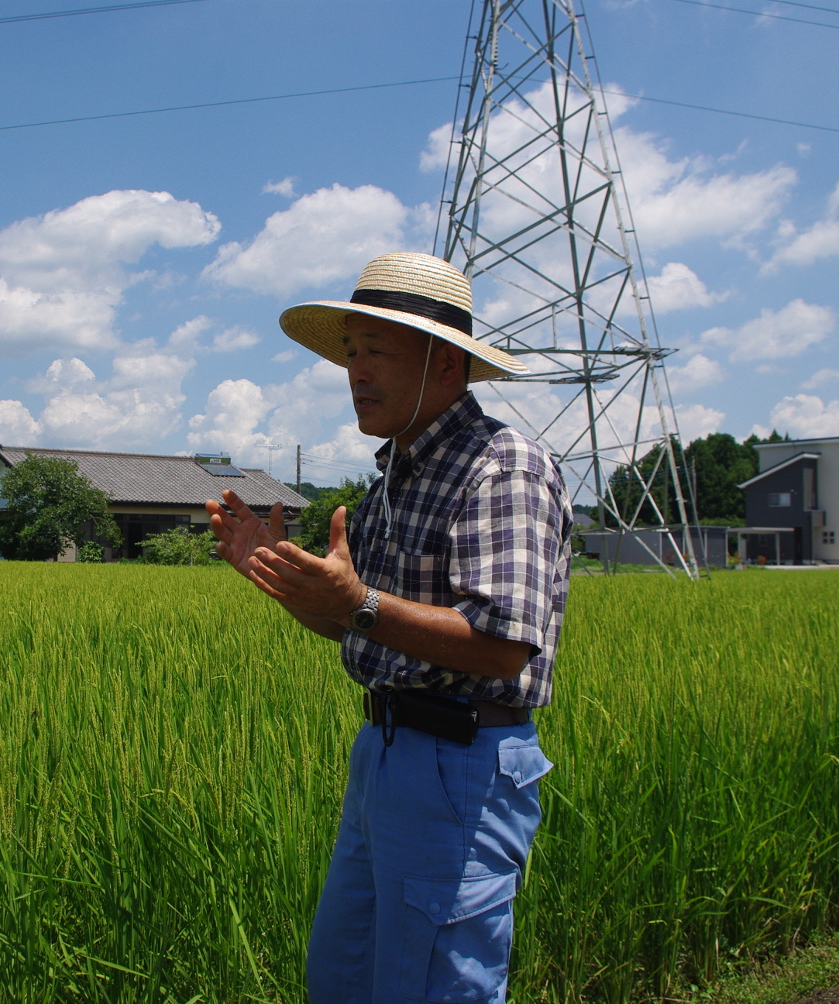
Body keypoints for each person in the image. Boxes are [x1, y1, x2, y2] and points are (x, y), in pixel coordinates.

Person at [206, 252, 572, 1004]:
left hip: (461, 763)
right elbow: (360, 625)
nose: (356, 372)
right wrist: (282, 579)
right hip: (383, 754)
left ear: (445, 365)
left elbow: (503, 645)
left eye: (377, 351)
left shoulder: (500, 471)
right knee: (343, 980)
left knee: (434, 989)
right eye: (351, 353)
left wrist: (358, 603)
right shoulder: (392, 483)